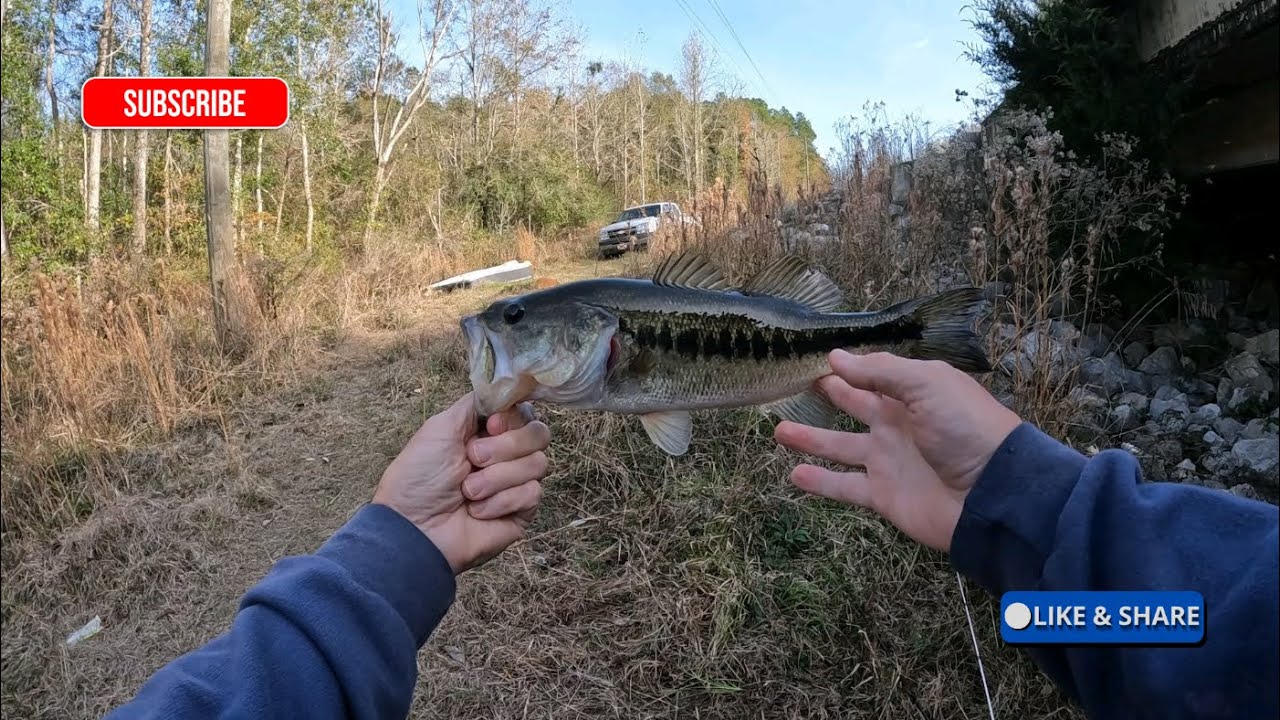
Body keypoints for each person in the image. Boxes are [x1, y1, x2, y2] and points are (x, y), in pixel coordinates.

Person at [106, 350, 1279, 719]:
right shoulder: (1175, 622)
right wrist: (1028, 517)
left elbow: (1202, 635)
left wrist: (1033, 519)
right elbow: (1198, 633)